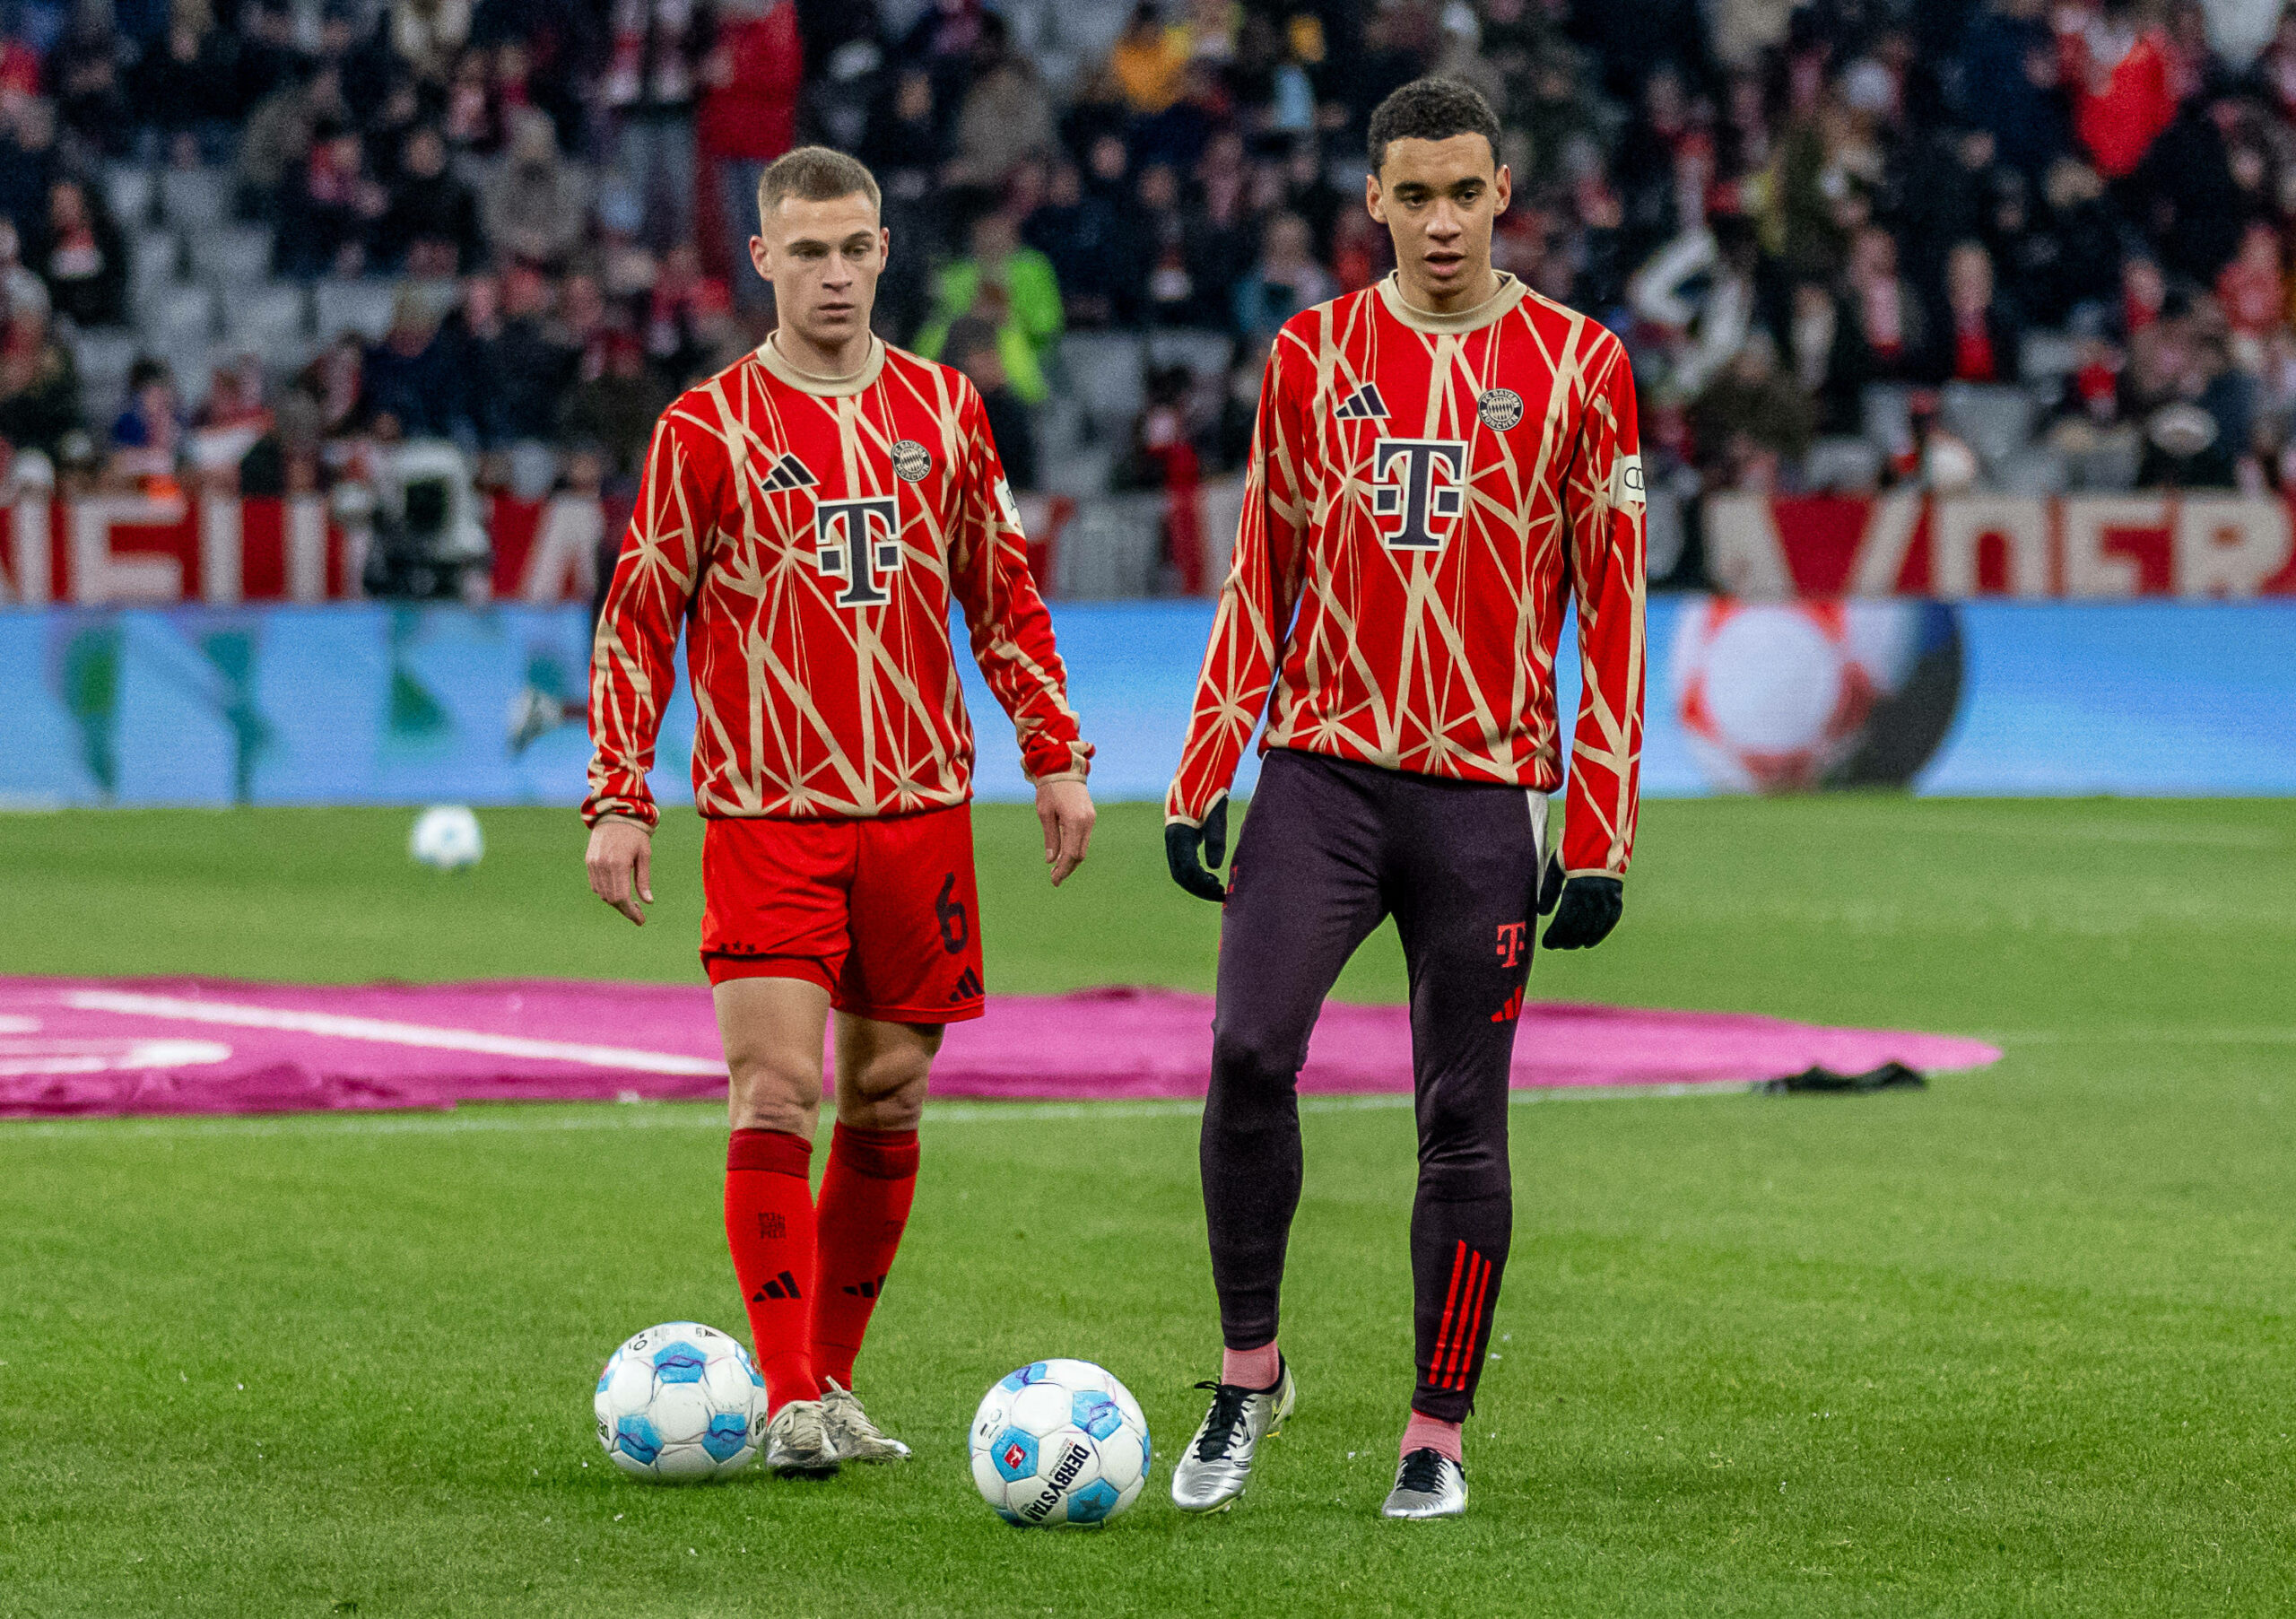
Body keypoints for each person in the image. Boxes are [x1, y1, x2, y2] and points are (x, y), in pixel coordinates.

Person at [1161, 78, 1644, 1521]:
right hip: (1321, 771)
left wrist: (1601, 830)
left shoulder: (1581, 365)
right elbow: (1263, 571)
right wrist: (1204, 773)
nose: (1441, 221)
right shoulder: (1310, 355)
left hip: (1483, 797)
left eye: (1465, 192)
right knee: (1249, 1052)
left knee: (1462, 1119)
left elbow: (1611, 613)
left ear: (1506, 193)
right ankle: (1249, 1377)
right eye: (1412, 195)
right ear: (1372, 201)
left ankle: (1435, 1431)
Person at [582, 146, 1097, 1478]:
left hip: (919, 808)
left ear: (883, 253)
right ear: (763, 260)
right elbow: (641, 618)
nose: (832, 272)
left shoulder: (945, 409)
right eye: (804, 250)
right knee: (778, 1082)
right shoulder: (706, 428)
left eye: (853, 247)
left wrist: (1055, 753)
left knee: (890, 1088)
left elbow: (1003, 592)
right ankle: (790, 1389)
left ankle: (834, 1386)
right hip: (769, 811)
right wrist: (619, 796)